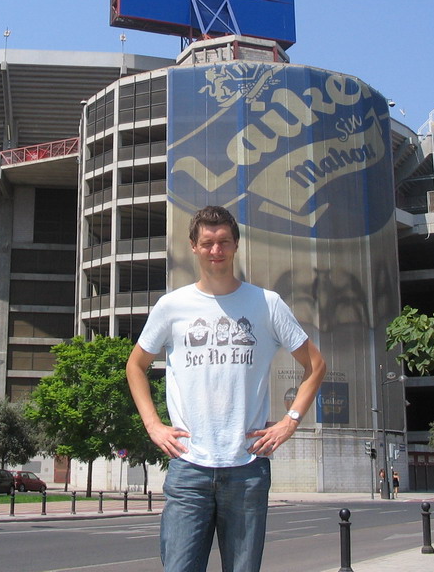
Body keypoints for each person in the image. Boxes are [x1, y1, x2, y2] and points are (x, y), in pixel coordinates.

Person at [126, 205, 327, 572]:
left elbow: (315, 365)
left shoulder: (266, 304)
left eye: (223, 242)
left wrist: (290, 421)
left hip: (247, 468)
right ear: (193, 247)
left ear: (236, 246)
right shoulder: (172, 306)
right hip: (189, 467)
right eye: (207, 243)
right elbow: (135, 365)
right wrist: (153, 425)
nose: (215, 251)